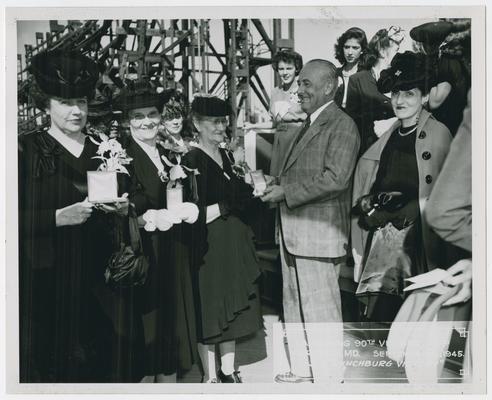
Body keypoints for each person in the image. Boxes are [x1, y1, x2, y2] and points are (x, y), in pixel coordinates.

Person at [18, 50, 137, 382]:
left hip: (101, 283)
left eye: (81, 102)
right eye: (64, 102)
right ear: (45, 105)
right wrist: (56, 217)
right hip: (47, 285)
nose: (75, 111)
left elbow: (128, 201)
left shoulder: (105, 150)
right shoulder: (25, 151)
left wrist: (126, 209)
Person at [261, 59, 360, 383]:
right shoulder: (310, 122)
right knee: (295, 305)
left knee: (320, 312)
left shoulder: (342, 125)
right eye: (299, 83)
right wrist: (274, 184)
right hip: (294, 234)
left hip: (317, 237)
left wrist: (284, 192)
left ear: (329, 87)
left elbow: (336, 178)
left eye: (306, 83)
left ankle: (330, 379)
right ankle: (304, 371)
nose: (298, 90)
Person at [351, 51, 457, 324]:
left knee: (410, 317)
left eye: (409, 93)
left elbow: (449, 190)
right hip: (383, 240)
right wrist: (371, 203)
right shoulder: (390, 134)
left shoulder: (439, 133)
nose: (400, 100)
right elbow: (374, 177)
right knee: (380, 320)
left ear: (424, 97)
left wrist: (416, 207)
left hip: (416, 245)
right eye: (396, 93)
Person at [114, 84, 199, 383]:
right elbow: (120, 204)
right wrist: (145, 216)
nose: (147, 121)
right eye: (138, 116)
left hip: (172, 250)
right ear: (128, 120)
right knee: (151, 330)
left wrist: (188, 203)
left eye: (152, 114)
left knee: (171, 331)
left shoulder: (166, 153)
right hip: (145, 255)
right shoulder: (121, 155)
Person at [183, 95, 263, 383]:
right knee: (212, 309)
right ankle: (210, 376)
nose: (221, 128)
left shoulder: (226, 156)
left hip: (234, 244)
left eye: (224, 122)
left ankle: (228, 370)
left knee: (232, 310)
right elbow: (191, 213)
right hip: (210, 245)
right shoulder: (190, 160)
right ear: (197, 124)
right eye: (214, 122)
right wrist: (227, 205)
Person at [345, 26, 404, 155]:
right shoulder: (359, 79)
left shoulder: (396, 78)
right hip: (363, 148)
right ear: (383, 51)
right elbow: (373, 99)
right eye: (396, 50)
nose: (398, 54)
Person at [410, 20, 471, 136]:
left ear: (427, 45)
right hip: (452, 121)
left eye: (423, 44)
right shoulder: (452, 57)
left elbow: (434, 101)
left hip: (449, 125)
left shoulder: (446, 61)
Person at [268, 49, 307, 178]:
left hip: (297, 138)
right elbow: (274, 122)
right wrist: (252, 126)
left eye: (289, 68)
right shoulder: (275, 92)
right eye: (281, 69)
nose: (284, 73)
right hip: (279, 141)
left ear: (296, 69)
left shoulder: (303, 90)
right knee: (277, 179)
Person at [333, 27, 368, 109]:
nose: (350, 52)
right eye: (346, 47)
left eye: (355, 48)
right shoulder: (334, 74)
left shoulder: (367, 75)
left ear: (362, 50)